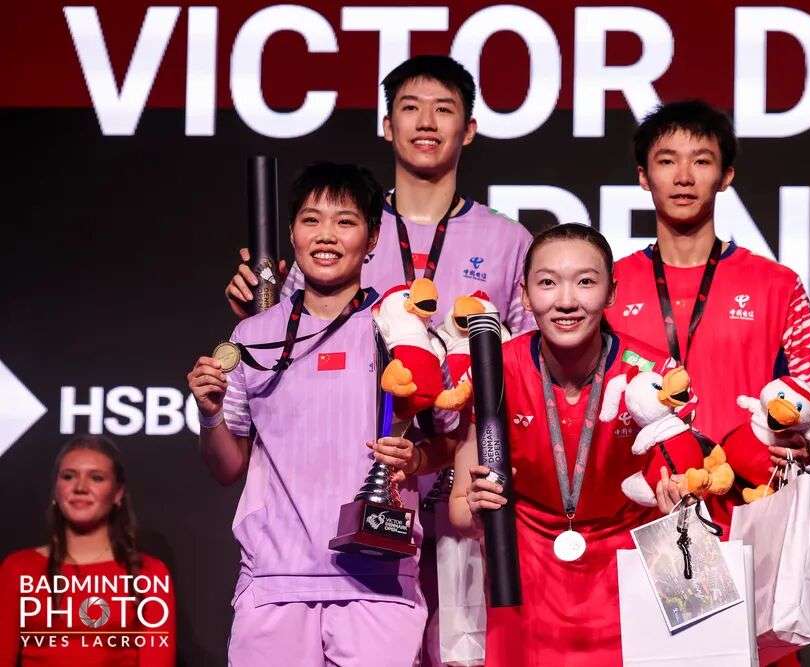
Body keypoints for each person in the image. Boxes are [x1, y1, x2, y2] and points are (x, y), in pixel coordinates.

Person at [187, 163, 450, 665]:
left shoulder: (404, 330)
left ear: (372, 238)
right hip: (274, 583)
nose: (326, 235)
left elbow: (451, 441)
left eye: (345, 222)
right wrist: (211, 415)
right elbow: (227, 467)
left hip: (378, 581)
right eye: (312, 220)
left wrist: (416, 460)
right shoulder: (251, 337)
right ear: (292, 233)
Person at [605, 100, 810, 667]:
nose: (683, 176)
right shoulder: (607, 287)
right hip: (640, 516)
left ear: (726, 175)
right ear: (643, 176)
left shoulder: (777, 285)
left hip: (747, 517)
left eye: (701, 161)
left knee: (744, 657)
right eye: (667, 161)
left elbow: (809, 407)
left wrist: (805, 437)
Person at [449, 224, 703, 666]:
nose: (566, 301)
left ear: (611, 292)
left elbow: (690, 488)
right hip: (522, 573)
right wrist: (475, 505)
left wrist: (679, 500)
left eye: (585, 282)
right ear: (525, 294)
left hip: (631, 569)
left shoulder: (655, 375)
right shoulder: (493, 370)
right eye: (547, 282)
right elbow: (458, 511)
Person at [225, 55, 535, 335]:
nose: (426, 123)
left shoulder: (509, 240)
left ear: (468, 130)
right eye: (410, 107)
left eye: (443, 109)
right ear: (388, 126)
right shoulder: (341, 229)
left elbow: (533, 357)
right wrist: (260, 311)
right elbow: (290, 347)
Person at [0, 436, 177, 667]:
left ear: (118, 493)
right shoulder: (18, 569)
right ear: (56, 489)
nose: (80, 487)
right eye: (68, 476)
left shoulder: (149, 573)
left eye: (96, 478)